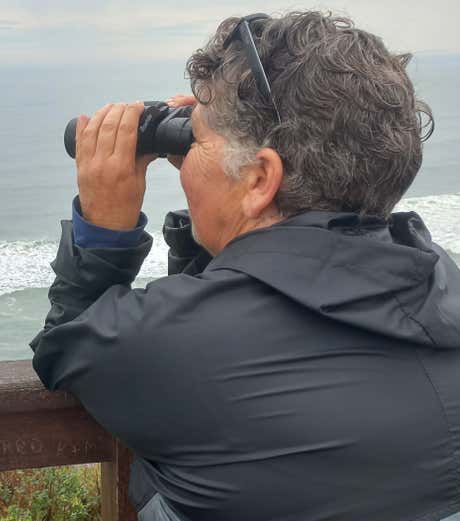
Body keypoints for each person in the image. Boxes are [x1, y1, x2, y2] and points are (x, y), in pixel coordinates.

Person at [29, 11, 460, 521]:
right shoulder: (441, 282)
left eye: (194, 140)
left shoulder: (169, 343)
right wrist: (218, 168)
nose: (186, 156)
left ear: (259, 179)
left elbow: (68, 347)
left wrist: (104, 230)